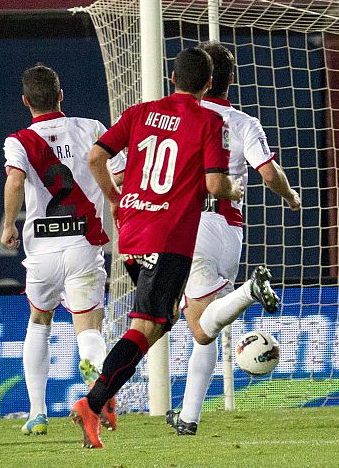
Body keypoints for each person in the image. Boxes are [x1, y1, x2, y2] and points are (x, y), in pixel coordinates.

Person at [70, 47, 243, 449]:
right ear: (207, 84)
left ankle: (105, 391)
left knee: (158, 321)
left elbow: (96, 156)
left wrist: (114, 197)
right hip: (168, 238)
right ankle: (94, 402)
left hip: (132, 232)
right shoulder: (209, 120)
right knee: (147, 326)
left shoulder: (140, 112)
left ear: (172, 78)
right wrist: (233, 188)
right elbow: (216, 186)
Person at [165, 41, 301, 436]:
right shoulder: (244, 122)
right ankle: (188, 417)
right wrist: (291, 197)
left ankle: (248, 292)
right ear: (229, 80)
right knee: (206, 329)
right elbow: (269, 173)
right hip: (229, 229)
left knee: (200, 327)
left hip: (190, 226)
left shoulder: (176, 118)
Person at [1, 64, 125, 436]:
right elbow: (118, 172)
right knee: (87, 329)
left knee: (39, 323)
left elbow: (15, 179)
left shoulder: (19, 140)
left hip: (43, 248)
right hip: (83, 244)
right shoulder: (91, 129)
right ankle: (98, 399)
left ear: (25, 101)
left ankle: (37, 413)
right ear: (61, 95)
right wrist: (113, 198)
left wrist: (9, 224)